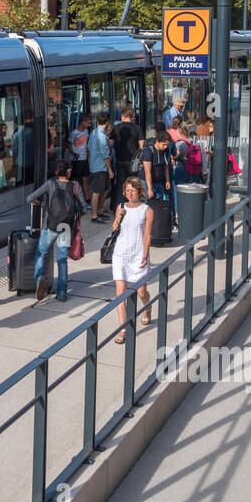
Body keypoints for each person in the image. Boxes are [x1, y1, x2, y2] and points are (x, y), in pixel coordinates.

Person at [26, 159, 82, 303]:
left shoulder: (50, 184)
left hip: (49, 225)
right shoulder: (75, 186)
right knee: (62, 259)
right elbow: (83, 207)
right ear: (68, 171)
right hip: (66, 227)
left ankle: (39, 278)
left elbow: (29, 198)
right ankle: (62, 293)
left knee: (41, 253)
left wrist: (38, 203)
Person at [110, 177, 155, 341]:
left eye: (133, 190)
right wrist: (118, 218)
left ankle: (147, 307)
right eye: (127, 190)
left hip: (138, 253)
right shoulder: (120, 207)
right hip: (121, 254)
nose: (129, 193)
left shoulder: (147, 210)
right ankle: (123, 329)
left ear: (139, 191)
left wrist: (145, 254)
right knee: (120, 293)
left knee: (141, 291)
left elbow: (147, 235)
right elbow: (115, 228)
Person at [110, 105, 143, 208]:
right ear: (133, 117)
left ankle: (120, 206)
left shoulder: (116, 128)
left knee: (121, 183)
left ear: (122, 116)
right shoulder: (137, 128)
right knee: (133, 182)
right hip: (133, 161)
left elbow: (110, 144)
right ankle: (133, 204)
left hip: (120, 159)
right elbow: (142, 145)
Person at [88, 112, 115, 222]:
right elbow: (105, 155)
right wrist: (110, 170)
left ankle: (99, 210)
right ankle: (94, 215)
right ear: (107, 122)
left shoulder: (94, 132)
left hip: (95, 165)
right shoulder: (101, 136)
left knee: (107, 188)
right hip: (100, 167)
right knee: (97, 191)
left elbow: (89, 148)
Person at [140, 131, 172, 204]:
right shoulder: (148, 150)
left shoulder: (165, 151)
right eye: (164, 144)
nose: (165, 147)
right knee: (147, 204)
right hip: (146, 182)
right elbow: (147, 172)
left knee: (158, 204)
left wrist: (167, 180)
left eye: (167, 145)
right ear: (157, 141)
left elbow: (166, 166)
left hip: (158, 182)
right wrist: (150, 188)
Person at [69, 113, 92, 208]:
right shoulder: (74, 133)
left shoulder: (86, 131)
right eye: (88, 123)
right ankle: (76, 200)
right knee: (76, 181)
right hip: (78, 160)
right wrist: (74, 153)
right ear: (83, 122)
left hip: (85, 159)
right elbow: (68, 143)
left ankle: (87, 200)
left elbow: (86, 144)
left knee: (86, 180)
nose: (89, 125)